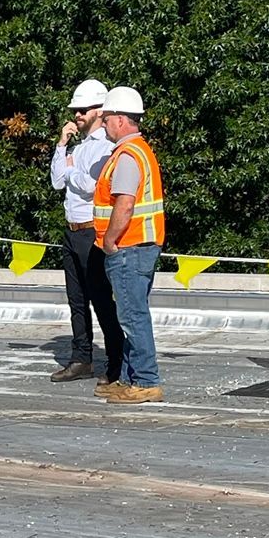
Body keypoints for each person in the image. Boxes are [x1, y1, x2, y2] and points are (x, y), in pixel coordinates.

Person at [49, 77, 125, 386]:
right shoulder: (78, 147)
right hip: (71, 229)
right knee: (76, 300)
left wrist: (70, 172)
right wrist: (61, 146)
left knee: (102, 299)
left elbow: (94, 188)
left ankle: (116, 361)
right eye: (75, 111)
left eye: (82, 110)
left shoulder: (106, 147)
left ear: (98, 110)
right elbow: (58, 181)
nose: (77, 116)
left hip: (92, 230)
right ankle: (81, 358)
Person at [92, 87, 166, 404]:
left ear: (120, 120)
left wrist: (109, 242)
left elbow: (124, 205)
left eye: (107, 118)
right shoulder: (138, 151)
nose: (104, 124)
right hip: (136, 246)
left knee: (133, 317)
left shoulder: (128, 156)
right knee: (130, 315)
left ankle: (146, 381)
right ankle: (129, 378)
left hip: (128, 247)